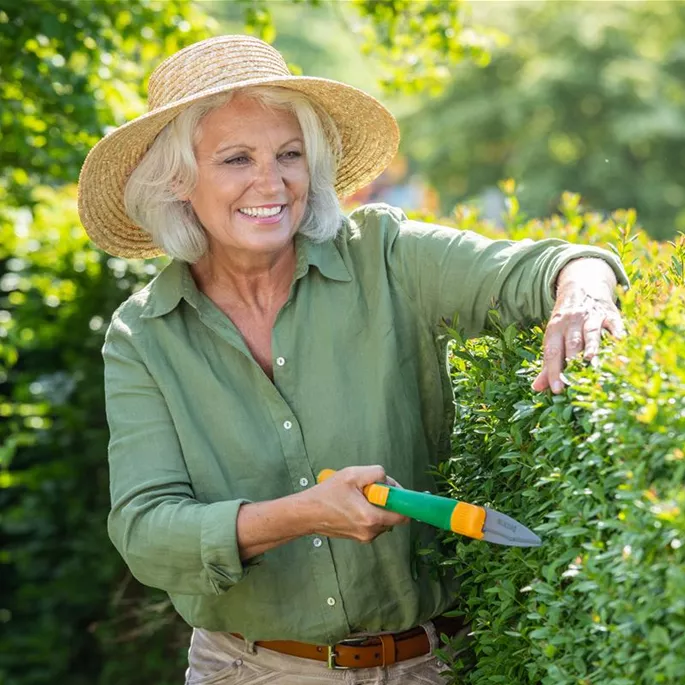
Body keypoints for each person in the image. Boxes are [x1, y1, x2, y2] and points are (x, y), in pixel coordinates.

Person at [77, 35, 629, 685]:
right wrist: (303, 513)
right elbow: (145, 531)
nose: (272, 181)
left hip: (422, 666)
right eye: (236, 158)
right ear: (177, 180)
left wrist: (583, 288)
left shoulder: (386, 255)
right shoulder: (144, 335)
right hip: (245, 669)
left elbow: (547, 265)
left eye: (289, 154)